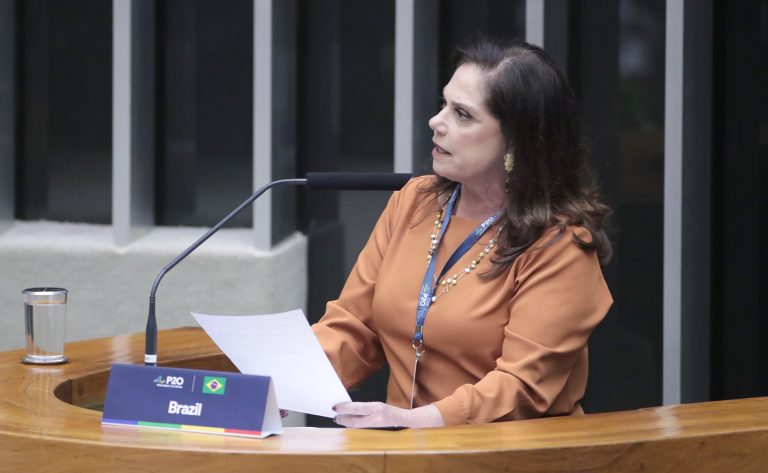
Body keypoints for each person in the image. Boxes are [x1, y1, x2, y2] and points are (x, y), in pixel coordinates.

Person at [312, 38, 613, 429]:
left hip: (499, 455)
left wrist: (419, 420)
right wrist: (284, 382)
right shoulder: (413, 203)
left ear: (516, 142)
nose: (436, 122)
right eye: (443, 105)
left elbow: (521, 387)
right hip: (400, 452)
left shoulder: (560, 246)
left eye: (462, 115)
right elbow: (354, 325)